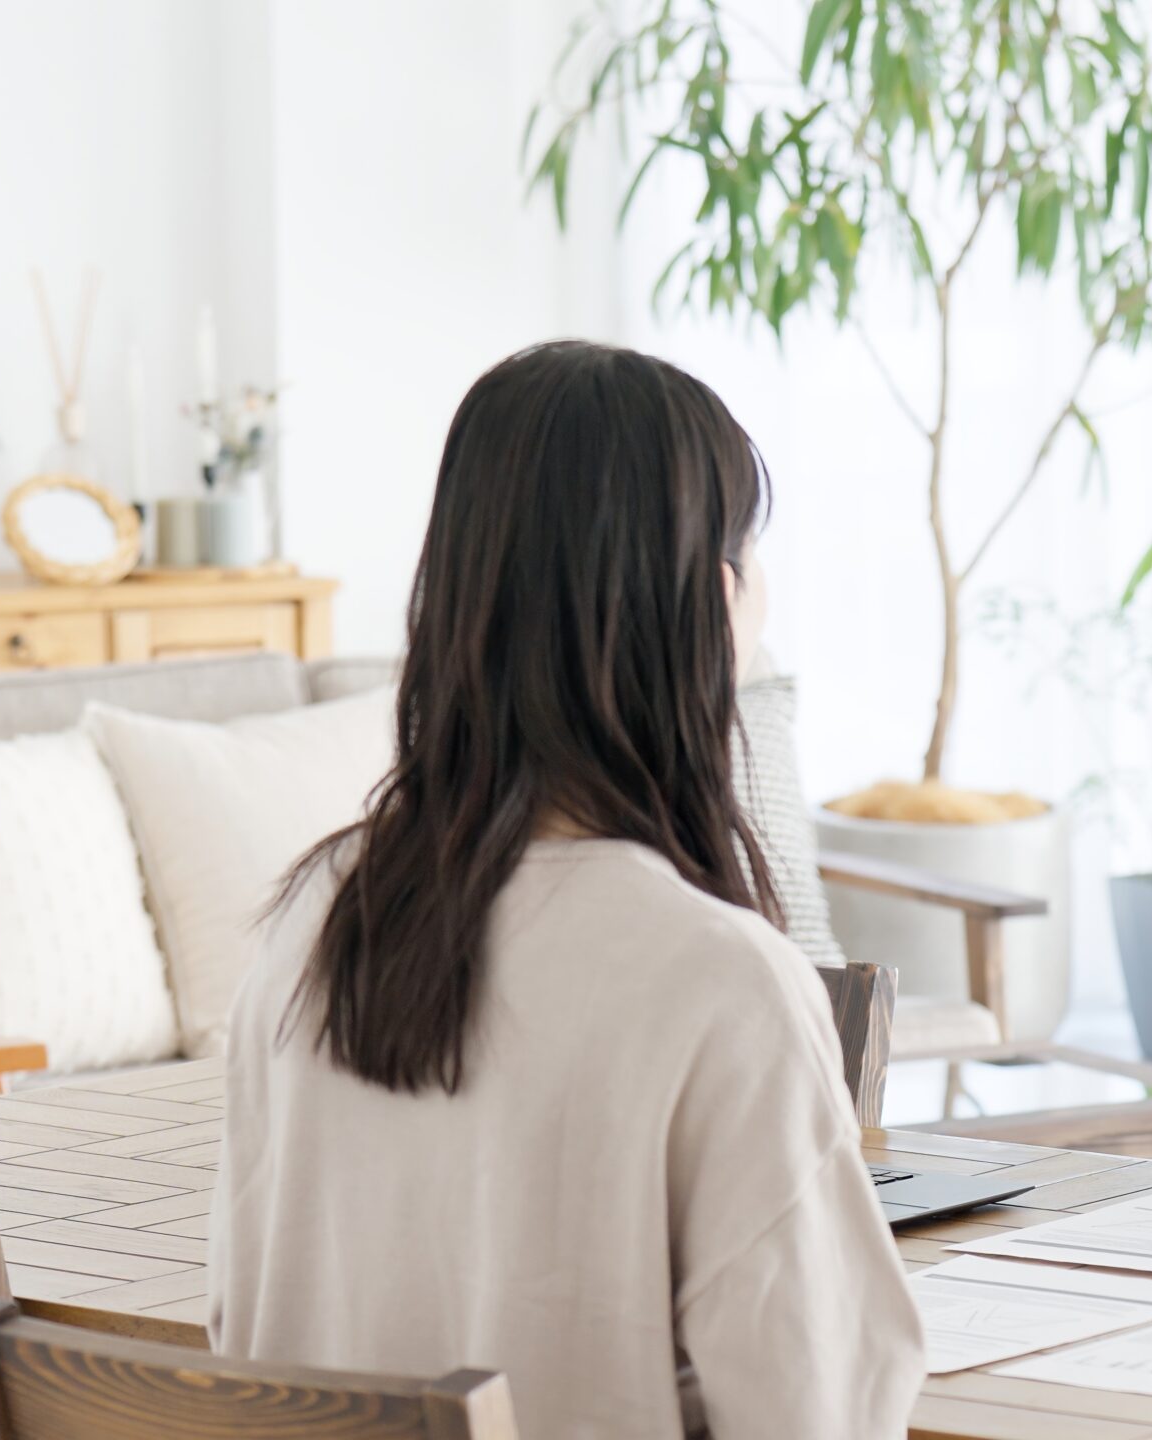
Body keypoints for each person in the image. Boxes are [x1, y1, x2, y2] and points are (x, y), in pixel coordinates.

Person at [210, 342, 922, 1438]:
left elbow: (238, 1327)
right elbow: (819, 1410)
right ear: (713, 610)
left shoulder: (312, 922)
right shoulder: (718, 982)